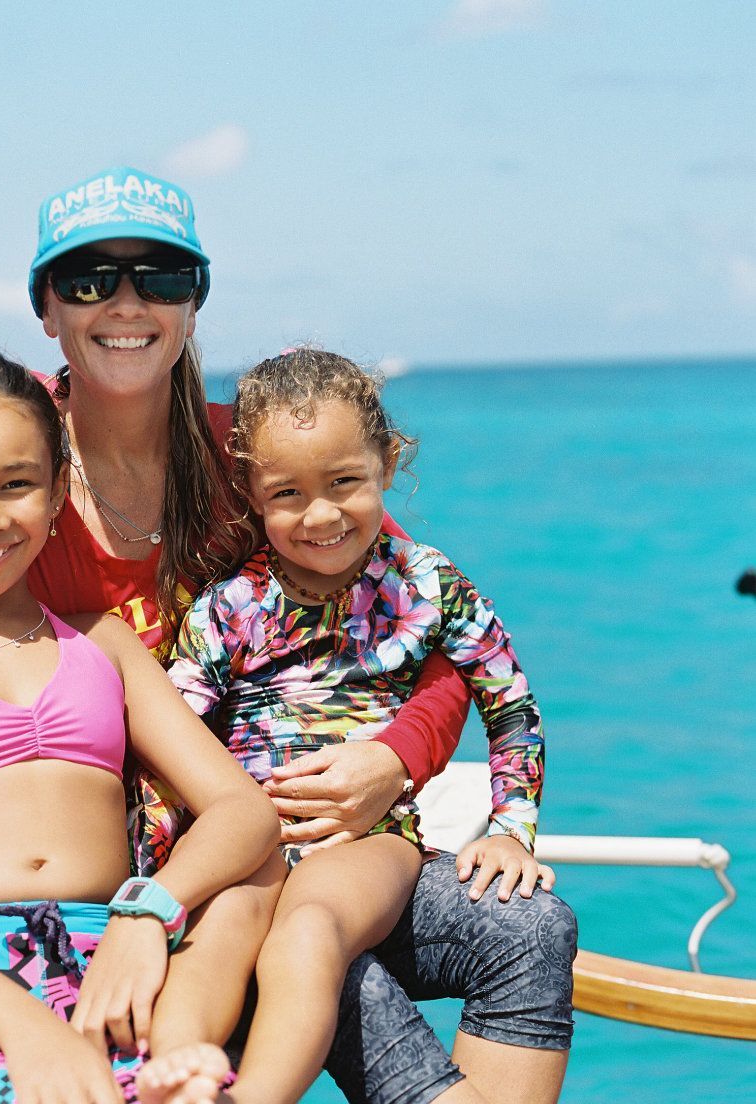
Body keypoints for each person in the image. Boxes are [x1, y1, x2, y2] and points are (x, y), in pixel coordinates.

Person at [0, 167, 575, 1104]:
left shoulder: (262, 459)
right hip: (162, 876)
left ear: (195, 300)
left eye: (160, 279)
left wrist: (402, 758)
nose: (125, 303)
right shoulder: (0, 457)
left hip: (264, 855)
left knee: (528, 926)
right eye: (89, 280)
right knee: (302, 946)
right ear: (45, 305)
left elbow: (435, 632)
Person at [0, 350, 275, 1103]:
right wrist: (25, 1028)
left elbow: (242, 811)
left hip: (114, 959)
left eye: (17, 485)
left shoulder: (104, 646)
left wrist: (146, 912)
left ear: (59, 490)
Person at [135, 348, 552, 1104]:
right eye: (287, 493)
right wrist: (156, 867)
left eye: (344, 482)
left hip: (363, 843)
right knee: (213, 939)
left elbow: (511, 705)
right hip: (248, 842)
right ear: (251, 492)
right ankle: (180, 1079)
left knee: (309, 934)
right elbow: (171, 751)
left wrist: (508, 829)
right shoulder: (230, 608)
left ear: (387, 463)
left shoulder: (428, 584)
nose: (320, 514)